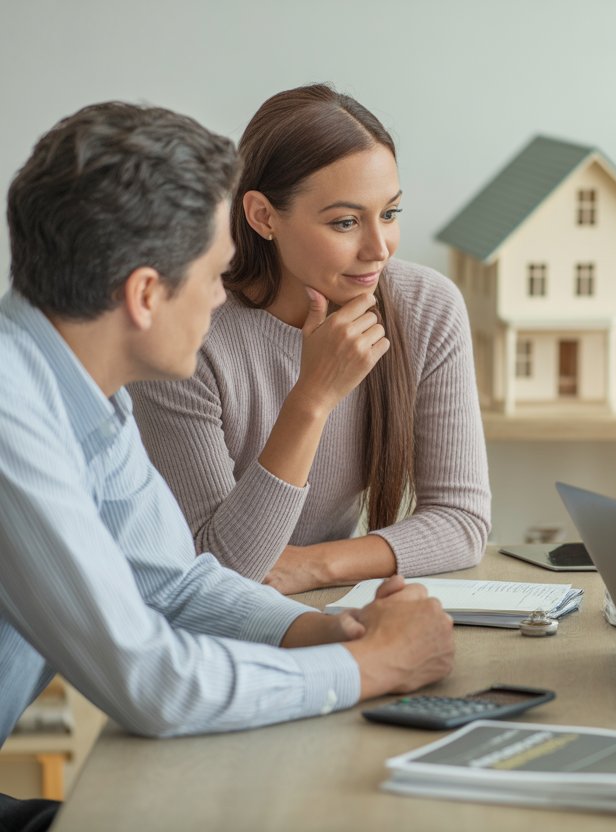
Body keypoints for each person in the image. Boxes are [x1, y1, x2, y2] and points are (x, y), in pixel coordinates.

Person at [0, 101, 455, 831]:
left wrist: (328, 631)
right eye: (215, 275)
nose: (222, 299)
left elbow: (173, 582)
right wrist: (372, 670)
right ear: (145, 294)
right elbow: (150, 681)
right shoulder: (10, 416)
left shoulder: (83, 394)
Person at [129, 85, 491, 595]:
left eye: (389, 214)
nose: (378, 248)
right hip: (195, 630)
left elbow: (462, 523)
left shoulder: (425, 308)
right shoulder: (188, 334)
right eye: (345, 222)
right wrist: (313, 397)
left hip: (327, 605)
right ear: (263, 217)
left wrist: (318, 565)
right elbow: (220, 571)